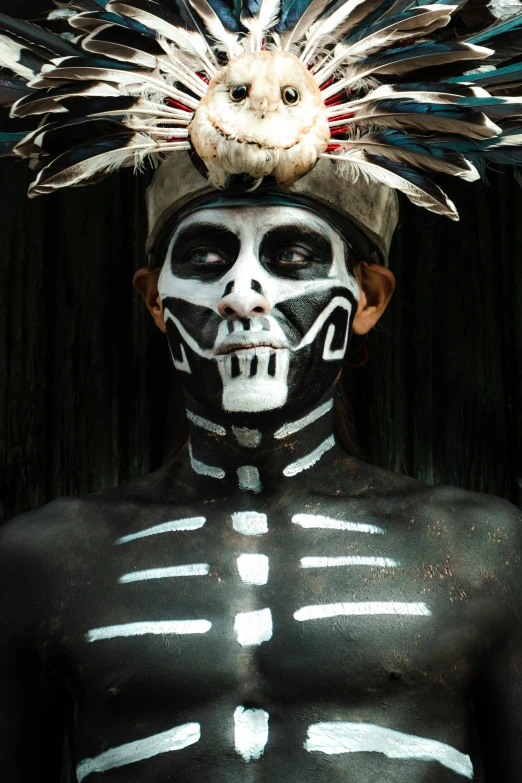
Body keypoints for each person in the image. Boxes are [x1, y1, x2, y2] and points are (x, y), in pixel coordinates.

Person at [0, 1, 521, 781]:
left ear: (368, 297)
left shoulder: (486, 549)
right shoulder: (45, 558)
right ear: (154, 298)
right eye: (206, 256)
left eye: (294, 255)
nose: (245, 294)